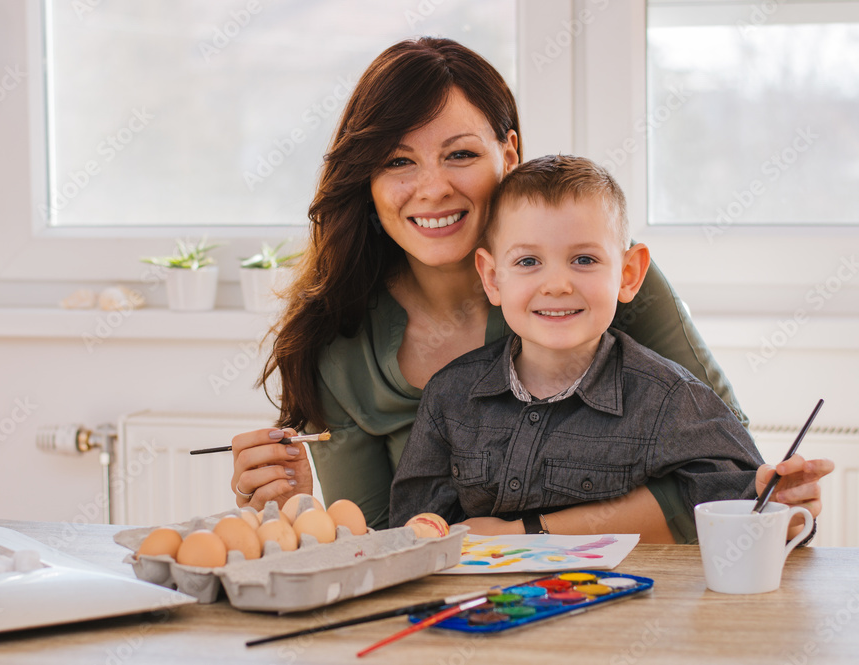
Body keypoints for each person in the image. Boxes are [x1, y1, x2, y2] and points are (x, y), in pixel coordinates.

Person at [230, 37, 832, 542]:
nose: (432, 188)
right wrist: (299, 513)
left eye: (460, 153)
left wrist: (534, 534)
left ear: (508, 154)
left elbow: (728, 480)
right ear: (367, 179)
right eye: (397, 162)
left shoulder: (602, 284)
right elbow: (392, 541)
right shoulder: (338, 338)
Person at [390, 155, 784, 540]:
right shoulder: (449, 396)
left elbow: (752, 505)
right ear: (492, 278)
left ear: (628, 274)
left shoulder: (667, 398)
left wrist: (784, 504)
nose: (557, 284)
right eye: (528, 261)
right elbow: (412, 529)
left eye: (583, 259)